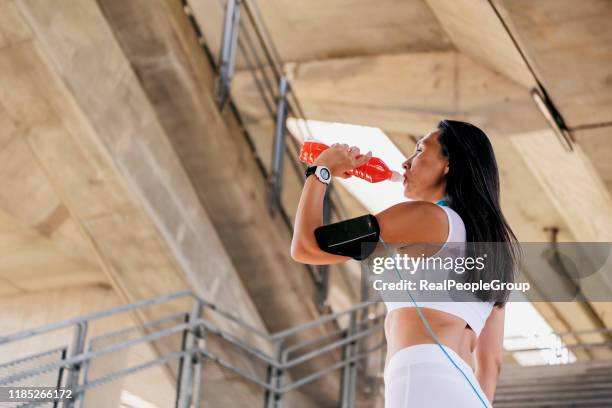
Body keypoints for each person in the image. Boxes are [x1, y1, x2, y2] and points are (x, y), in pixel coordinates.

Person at [291, 120, 520, 407]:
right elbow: (491, 362)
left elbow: (306, 247)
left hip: (420, 377)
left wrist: (321, 170)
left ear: (448, 164)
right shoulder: (496, 250)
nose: (405, 163)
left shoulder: (424, 217)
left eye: (419, 150)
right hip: (468, 393)